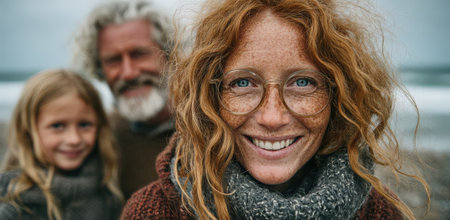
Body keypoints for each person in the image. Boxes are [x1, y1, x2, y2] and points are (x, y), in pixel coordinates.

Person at [122, 0, 430, 219]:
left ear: (339, 95)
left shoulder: (379, 213)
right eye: (243, 83)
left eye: (303, 83)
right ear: (209, 96)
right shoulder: (155, 211)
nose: (272, 117)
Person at [72, 0, 175, 199]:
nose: (128, 73)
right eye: (113, 60)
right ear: (99, 69)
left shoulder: (213, 125)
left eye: (139, 54)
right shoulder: (96, 139)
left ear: (170, 54)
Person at [0, 69, 123, 220]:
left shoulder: (108, 189)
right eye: (57, 126)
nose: (74, 139)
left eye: (84, 125)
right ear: (28, 131)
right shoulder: (14, 207)